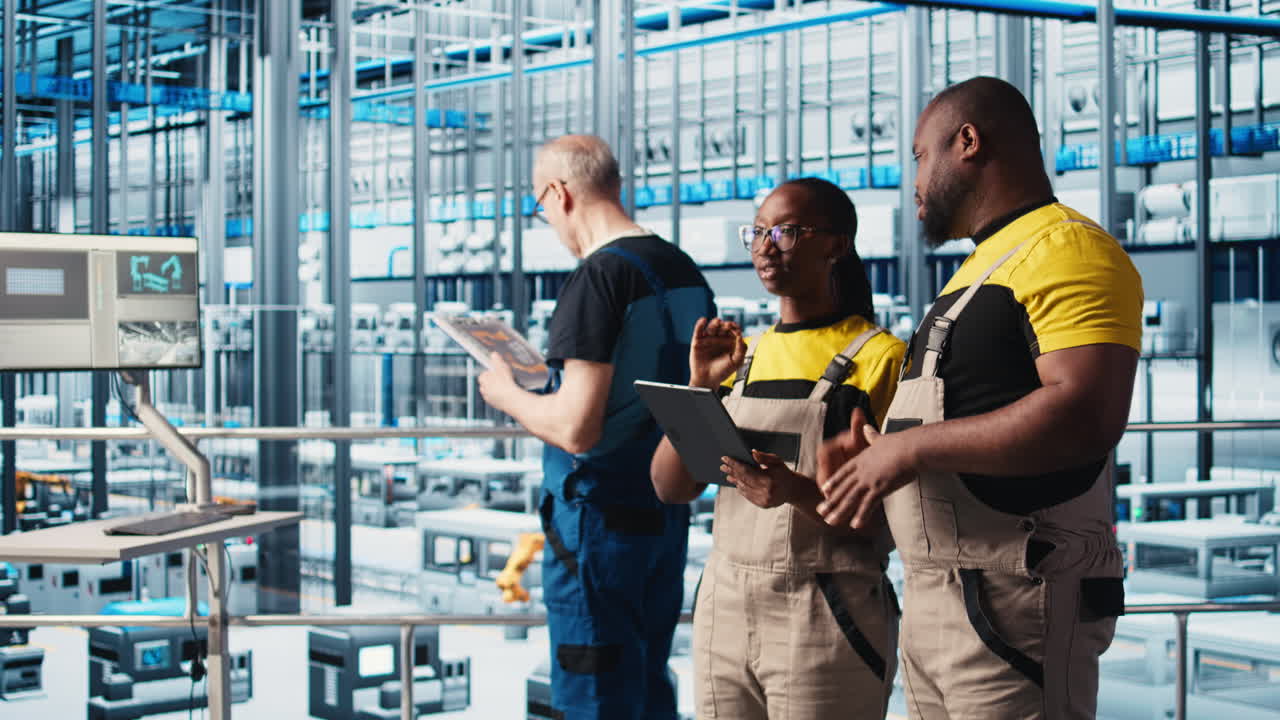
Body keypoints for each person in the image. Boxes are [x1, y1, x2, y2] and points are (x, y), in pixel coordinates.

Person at [817, 77, 1143, 719]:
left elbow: (1086, 414)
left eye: (918, 155)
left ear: (967, 142)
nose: (911, 176)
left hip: (1017, 600)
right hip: (942, 598)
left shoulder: (1069, 251)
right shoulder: (984, 267)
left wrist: (910, 449)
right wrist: (878, 456)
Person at [477, 134, 715, 720]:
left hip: (598, 527)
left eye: (540, 206)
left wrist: (507, 394)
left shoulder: (597, 280)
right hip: (663, 514)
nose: (548, 222)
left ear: (559, 193)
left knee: (596, 694)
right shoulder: (682, 269)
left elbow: (579, 429)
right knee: (648, 683)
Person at [651, 177, 905, 720]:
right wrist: (699, 387)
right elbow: (671, 486)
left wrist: (794, 491)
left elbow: (898, 522)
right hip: (725, 607)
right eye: (758, 232)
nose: (766, 246)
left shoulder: (881, 360)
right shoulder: (745, 359)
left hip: (824, 612)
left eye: (787, 231)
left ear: (836, 244)